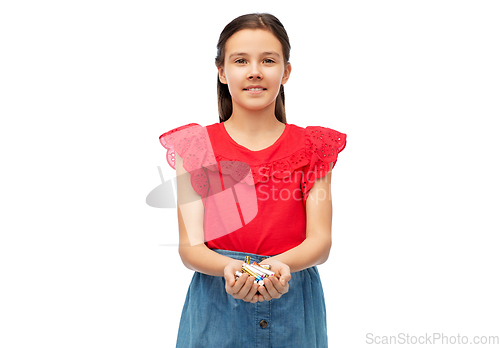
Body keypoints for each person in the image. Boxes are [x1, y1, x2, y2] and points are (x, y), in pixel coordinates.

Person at [159, 12, 347, 348]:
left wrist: (279, 266)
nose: (255, 71)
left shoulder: (314, 147)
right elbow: (190, 247)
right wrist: (233, 269)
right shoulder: (194, 147)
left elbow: (321, 240)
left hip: (294, 300)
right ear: (222, 71)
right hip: (216, 304)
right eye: (241, 60)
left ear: (286, 72)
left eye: (269, 60)